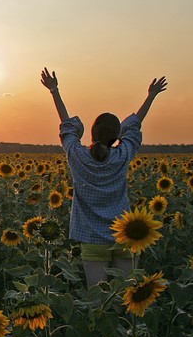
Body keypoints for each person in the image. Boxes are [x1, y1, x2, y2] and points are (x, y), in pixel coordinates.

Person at [40, 67, 167, 288]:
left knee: (97, 300)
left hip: (91, 238)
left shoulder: (77, 156)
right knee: (125, 295)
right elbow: (134, 125)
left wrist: (54, 90)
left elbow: (68, 127)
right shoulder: (123, 155)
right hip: (125, 234)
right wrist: (151, 96)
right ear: (117, 136)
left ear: (91, 132)